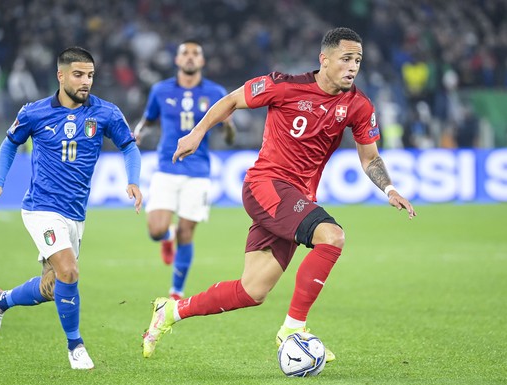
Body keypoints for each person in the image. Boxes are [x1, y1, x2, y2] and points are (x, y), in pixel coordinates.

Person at [142, 27, 416, 361]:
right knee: (332, 236)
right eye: (346, 59)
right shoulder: (284, 85)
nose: (353, 67)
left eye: (357, 60)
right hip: (266, 186)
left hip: (295, 198)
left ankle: (170, 312)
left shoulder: (358, 105)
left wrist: (389, 188)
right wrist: (196, 134)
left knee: (252, 290)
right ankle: (293, 330)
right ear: (324, 59)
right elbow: (231, 100)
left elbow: (370, 156)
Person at [0, 47, 142, 370]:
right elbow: (10, 142)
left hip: (75, 214)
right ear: (61, 76)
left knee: (52, 287)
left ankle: (1, 300)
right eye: (79, 75)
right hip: (41, 208)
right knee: (70, 270)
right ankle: (75, 346)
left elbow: (129, 146)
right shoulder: (34, 113)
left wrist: (133, 179)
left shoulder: (105, 113)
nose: (85, 82)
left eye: (90, 76)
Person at [134, 40, 236, 300]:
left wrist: (228, 129)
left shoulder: (216, 92)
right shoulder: (160, 90)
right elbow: (149, 119)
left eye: (195, 54)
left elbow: (229, 133)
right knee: (156, 230)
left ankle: (176, 292)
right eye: (185, 54)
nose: (190, 58)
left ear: (202, 61)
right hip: (166, 168)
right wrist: (138, 133)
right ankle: (167, 237)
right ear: (177, 60)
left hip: (198, 171)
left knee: (187, 232)